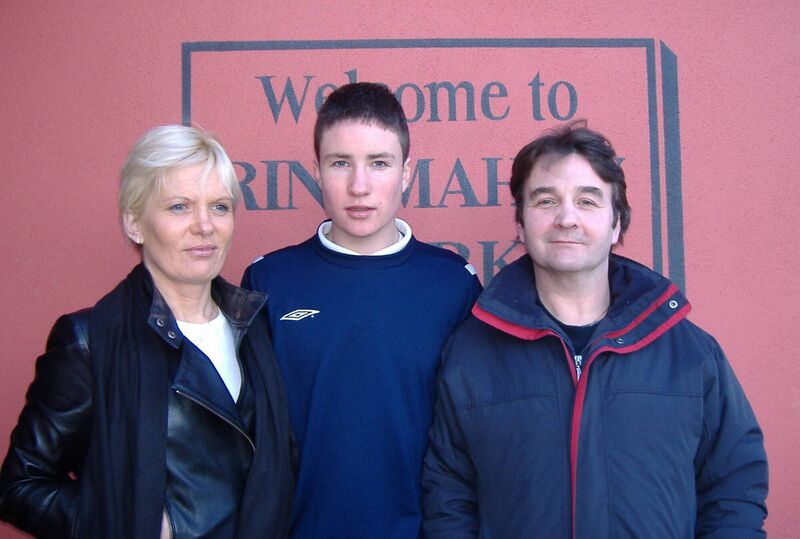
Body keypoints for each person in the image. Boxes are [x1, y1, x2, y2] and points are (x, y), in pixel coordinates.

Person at [422, 121, 768, 538]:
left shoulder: (690, 355)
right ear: (520, 223)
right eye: (546, 200)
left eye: (587, 201)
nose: (566, 218)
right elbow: (449, 497)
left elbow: (735, 487)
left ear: (616, 224)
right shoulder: (471, 355)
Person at [0, 125, 295, 538]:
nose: (204, 226)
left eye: (220, 207)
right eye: (179, 207)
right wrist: (134, 522)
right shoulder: (88, 341)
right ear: (136, 224)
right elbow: (19, 486)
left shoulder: (258, 327)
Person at [242, 82, 482, 538]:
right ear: (316, 170)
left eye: (379, 163)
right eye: (340, 163)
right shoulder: (270, 281)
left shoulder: (454, 285)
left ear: (407, 172)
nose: (359, 186)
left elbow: (473, 439)